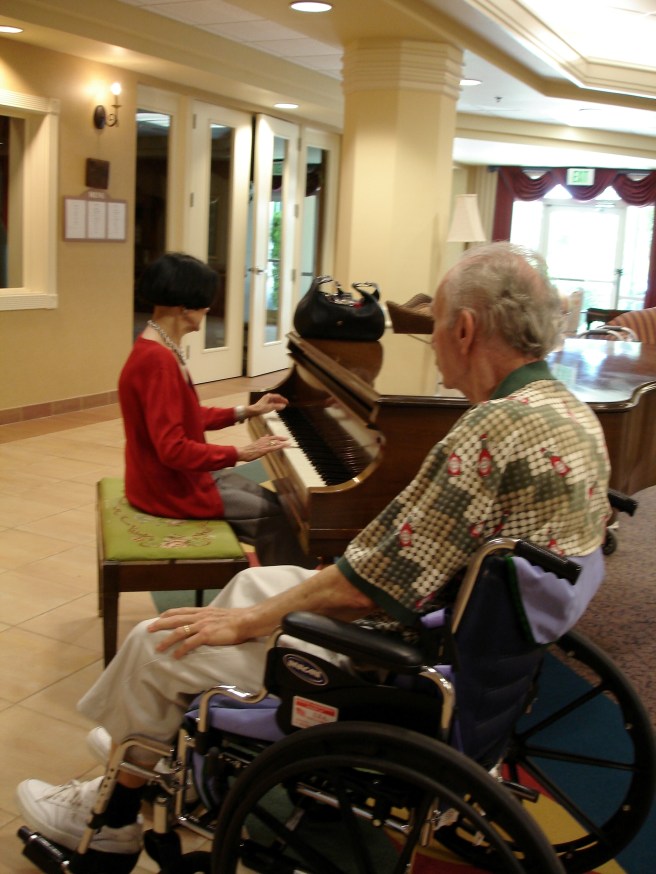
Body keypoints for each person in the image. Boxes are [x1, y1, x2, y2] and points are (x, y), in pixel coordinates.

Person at [17, 242, 611, 857]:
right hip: (465, 642)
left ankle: (111, 817)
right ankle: (140, 742)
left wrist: (249, 624)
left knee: (162, 638)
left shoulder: (491, 430)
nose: (429, 339)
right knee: (252, 583)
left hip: (392, 659)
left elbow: (363, 588)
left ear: (463, 328)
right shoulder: (566, 411)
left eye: (432, 322)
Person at [117, 251, 314, 569]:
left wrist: (246, 411)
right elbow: (173, 450)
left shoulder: (158, 346)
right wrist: (241, 452)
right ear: (185, 307)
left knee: (280, 506)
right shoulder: (158, 361)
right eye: (205, 302)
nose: (209, 309)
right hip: (167, 488)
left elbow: (186, 416)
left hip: (173, 477)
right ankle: (284, 604)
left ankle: (282, 582)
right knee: (282, 516)